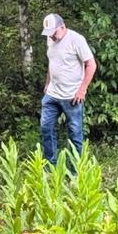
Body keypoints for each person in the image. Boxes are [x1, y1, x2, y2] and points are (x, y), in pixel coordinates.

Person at [40, 13, 96, 166]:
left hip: (72, 96)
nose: (51, 36)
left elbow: (91, 65)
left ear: (63, 27)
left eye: (54, 32)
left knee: (75, 134)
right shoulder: (50, 39)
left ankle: (74, 171)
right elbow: (52, 62)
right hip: (52, 94)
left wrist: (82, 90)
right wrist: (47, 83)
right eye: (49, 33)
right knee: (46, 128)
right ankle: (50, 166)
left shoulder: (76, 39)